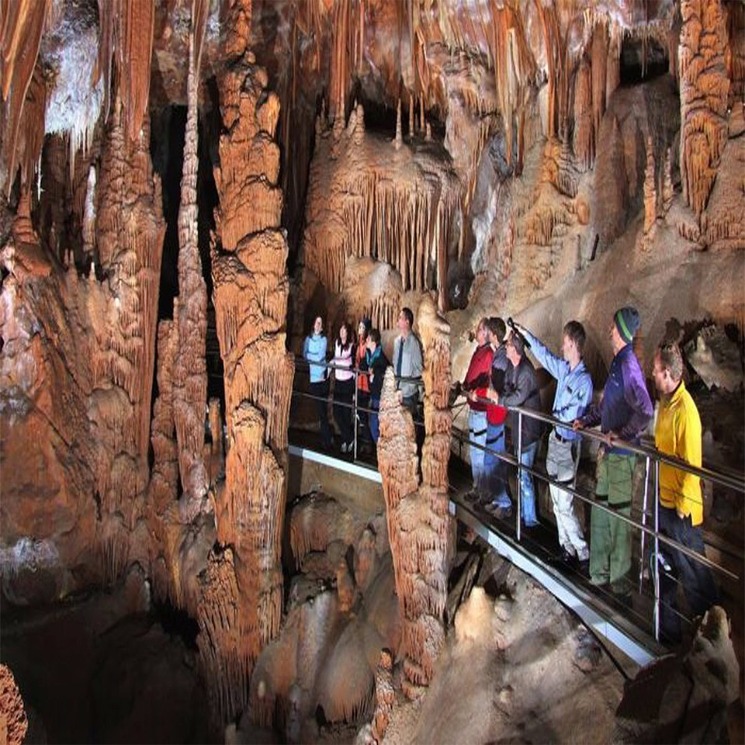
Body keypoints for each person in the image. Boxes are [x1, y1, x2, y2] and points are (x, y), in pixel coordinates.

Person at [574, 306, 653, 602]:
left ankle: (619, 585)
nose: (608, 331)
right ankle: (599, 573)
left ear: (621, 332)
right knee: (602, 511)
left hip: (621, 456)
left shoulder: (629, 365)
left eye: (612, 327)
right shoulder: (619, 363)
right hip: (610, 453)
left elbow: (645, 410)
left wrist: (623, 435)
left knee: (618, 519)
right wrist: (588, 420)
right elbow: (609, 405)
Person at [652, 341, 718, 641]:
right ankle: (669, 630)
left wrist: (679, 506)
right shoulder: (667, 403)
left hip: (682, 509)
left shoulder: (685, 411)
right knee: (665, 565)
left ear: (667, 373)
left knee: (693, 573)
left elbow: (692, 465)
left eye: (655, 370)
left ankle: (710, 634)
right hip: (664, 499)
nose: (652, 373)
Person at [515, 320, 594, 571]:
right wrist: (526, 335)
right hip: (554, 441)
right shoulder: (563, 370)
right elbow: (545, 355)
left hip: (568, 447)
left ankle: (582, 553)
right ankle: (566, 549)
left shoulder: (584, 381)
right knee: (557, 504)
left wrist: (556, 415)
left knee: (565, 503)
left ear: (573, 344)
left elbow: (574, 413)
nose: (562, 346)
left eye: (565, 342)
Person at [487, 329, 543, 526]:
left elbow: (518, 397)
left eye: (509, 345)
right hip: (520, 428)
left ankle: (530, 521)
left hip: (528, 430)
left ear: (516, 349)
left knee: (525, 474)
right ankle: (523, 514)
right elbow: (509, 388)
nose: (506, 348)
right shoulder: (512, 366)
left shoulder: (526, 372)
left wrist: (499, 399)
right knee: (521, 473)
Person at [475, 317, 510, 511]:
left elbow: (494, 391)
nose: (486, 335)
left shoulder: (501, 358)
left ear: (493, 335)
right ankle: (497, 498)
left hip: (497, 415)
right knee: (490, 461)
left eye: (488, 333)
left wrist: (480, 393)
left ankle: (504, 502)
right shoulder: (499, 355)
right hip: (493, 415)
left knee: (494, 462)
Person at [462, 318, 494, 501]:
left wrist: (474, 390)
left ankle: (484, 491)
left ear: (485, 333)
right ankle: (477, 487)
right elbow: (471, 375)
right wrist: (464, 386)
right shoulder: (478, 351)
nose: (476, 330)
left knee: (480, 451)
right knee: (475, 450)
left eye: (479, 328)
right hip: (473, 407)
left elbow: (487, 380)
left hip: (481, 409)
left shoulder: (488, 354)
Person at [303, 315, 332, 451]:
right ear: (313, 324)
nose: (318, 325)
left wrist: (310, 355)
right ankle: (327, 438)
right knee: (320, 411)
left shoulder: (324, 339)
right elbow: (304, 354)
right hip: (313, 378)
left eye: (320, 323)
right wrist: (311, 356)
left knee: (322, 410)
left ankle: (326, 441)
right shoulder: (308, 339)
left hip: (323, 377)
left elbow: (320, 356)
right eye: (317, 322)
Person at [392, 307, 423, 419]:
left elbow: (418, 370)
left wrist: (405, 389)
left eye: (400, 318)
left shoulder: (414, 343)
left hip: (408, 394)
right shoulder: (396, 342)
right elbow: (395, 364)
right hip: (397, 391)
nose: (398, 320)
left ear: (407, 322)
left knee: (407, 428)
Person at [360, 328, 389, 444]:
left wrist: (375, 371)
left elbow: (385, 369)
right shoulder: (369, 355)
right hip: (373, 394)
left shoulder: (380, 357)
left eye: (368, 338)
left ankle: (381, 450)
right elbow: (363, 365)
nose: (366, 340)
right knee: (373, 423)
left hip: (379, 394)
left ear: (373, 342)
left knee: (374, 424)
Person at [332, 322, 356, 454]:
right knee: (337, 412)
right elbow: (335, 359)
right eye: (341, 330)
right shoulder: (336, 344)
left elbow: (352, 367)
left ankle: (346, 441)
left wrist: (353, 390)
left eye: (344, 330)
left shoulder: (352, 347)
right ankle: (350, 438)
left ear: (347, 332)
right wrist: (330, 365)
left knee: (346, 414)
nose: (342, 332)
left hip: (347, 383)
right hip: (338, 382)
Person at [355, 317, 372, 448]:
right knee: (359, 413)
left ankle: (368, 442)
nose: (360, 329)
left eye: (362, 327)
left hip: (365, 385)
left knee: (362, 413)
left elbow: (366, 362)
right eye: (359, 327)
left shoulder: (366, 345)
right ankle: (365, 440)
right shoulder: (359, 344)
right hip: (358, 383)